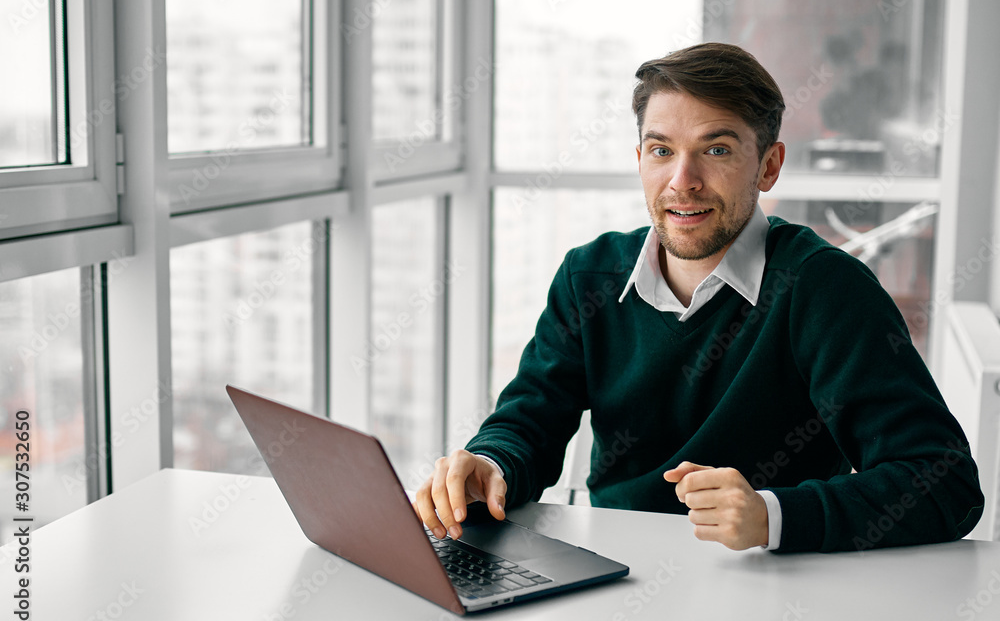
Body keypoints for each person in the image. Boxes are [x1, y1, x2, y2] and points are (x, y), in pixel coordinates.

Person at [413, 42, 984, 553]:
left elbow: (944, 480)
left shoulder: (825, 289)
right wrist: (490, 466)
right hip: (610, 574)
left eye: (715, 151)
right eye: (661, 150)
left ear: (768, 166)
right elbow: (529, 423)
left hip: (766, 591)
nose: (682, 180)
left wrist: (773, 516)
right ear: (639, 159)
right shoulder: (588, 276)